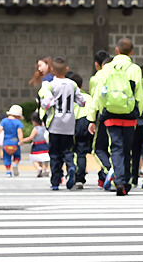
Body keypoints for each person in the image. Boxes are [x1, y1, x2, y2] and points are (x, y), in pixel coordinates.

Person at [88, 37, 143, 196]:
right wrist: (138, 112)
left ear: (116, 50)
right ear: (131, 52)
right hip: (129, 115)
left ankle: (119, 180)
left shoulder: (106, 68)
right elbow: (139, 94)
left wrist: (95, 117)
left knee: (116, 148)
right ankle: (126, 181)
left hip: (110, 115)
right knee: (128, 149)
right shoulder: (135, 69)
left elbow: (98, 94)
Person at [39, 57, 86, 191]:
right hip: (69, 124)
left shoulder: (49, 84)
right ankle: (71, 166)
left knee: (54, 153)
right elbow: (82, 101)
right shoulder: (72, 84)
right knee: (67, 150)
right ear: (66, 69)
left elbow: (47, 103)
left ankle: (55, 181)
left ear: (52, 70)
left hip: (55, 123)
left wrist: (44, 104)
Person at [89, 52, 113, 189]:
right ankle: (110, 176)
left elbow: (95, 99)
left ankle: (109, 170)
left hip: (104, 115)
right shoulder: (122, 76)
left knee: (98, 148)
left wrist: (92, 119)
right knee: (115, 147)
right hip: (125, 115)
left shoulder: (97, 78)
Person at [67, 72, 93, 188]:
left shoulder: (67, 98)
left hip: (70, 124)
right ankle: (80, 178)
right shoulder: (88, 97)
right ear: (81, 86)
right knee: (82, 153)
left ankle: (71, 169)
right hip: (84, 123)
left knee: (69, 151)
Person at [0, 105, 25, 177]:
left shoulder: (4, 121)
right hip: (15, 143)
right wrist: (21, 140)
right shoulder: (18, 122)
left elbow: (0, 129)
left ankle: (8, 172)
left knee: (6, 157)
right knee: (17, 156)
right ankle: (15, 163)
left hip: (6, 143)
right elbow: (19, 132)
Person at [20, 112, 50, 177]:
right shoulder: (44, 128)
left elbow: (30, 138)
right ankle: (46, 169)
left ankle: (39, 168)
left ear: (34, 121)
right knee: (44, 158)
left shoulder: (35, 129)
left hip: (37, 146)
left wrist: (22, 140)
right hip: (44, 145)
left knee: (35, 160)